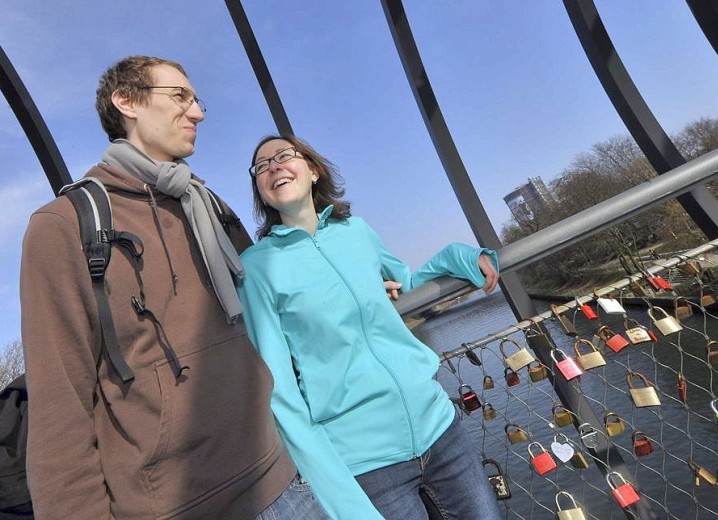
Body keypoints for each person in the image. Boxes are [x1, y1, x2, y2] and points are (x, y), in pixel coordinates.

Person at [19, 56, 328, 519]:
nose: (198, 112)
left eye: (196, 100)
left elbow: (269, 309)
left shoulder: (210, 205)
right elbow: (60, 411)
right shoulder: (63, 227)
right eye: (180, 96)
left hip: (282, 482)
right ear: (126, 102)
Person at [237, 134, 503, 520]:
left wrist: (460, 257)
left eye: (283, 156)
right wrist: (338, 496)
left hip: (441, 427)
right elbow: (282, 395)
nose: (273, 166)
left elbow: (406, 283)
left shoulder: (357, 231)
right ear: (262, 192)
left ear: (312, 171)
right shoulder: (257, 269)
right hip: (366, 464)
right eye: (261, 166)